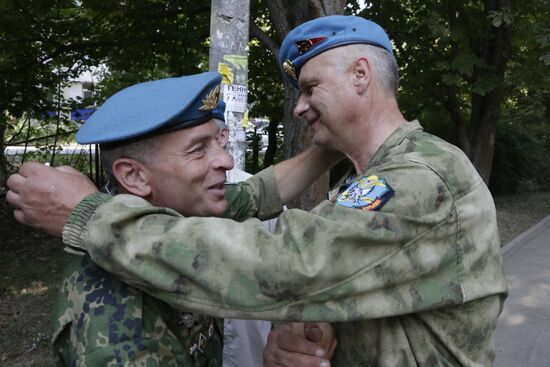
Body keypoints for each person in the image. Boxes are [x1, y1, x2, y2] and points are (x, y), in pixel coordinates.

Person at [7, 15, 507, 366]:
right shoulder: (373, 176)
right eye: (199, 149)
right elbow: (270, 207)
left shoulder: (421, 178)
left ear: (361, 75)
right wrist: (308, 325)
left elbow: (286, 266)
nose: (299, 107)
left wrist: (89, 214)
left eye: (310, 88)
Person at [47, 72, 337, 366]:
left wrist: (338, 140)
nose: (227, 161)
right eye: (198, 149)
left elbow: (260, 192)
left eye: (217, 141)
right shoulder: (116, 312)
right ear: (134, 176)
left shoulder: (183, 212)